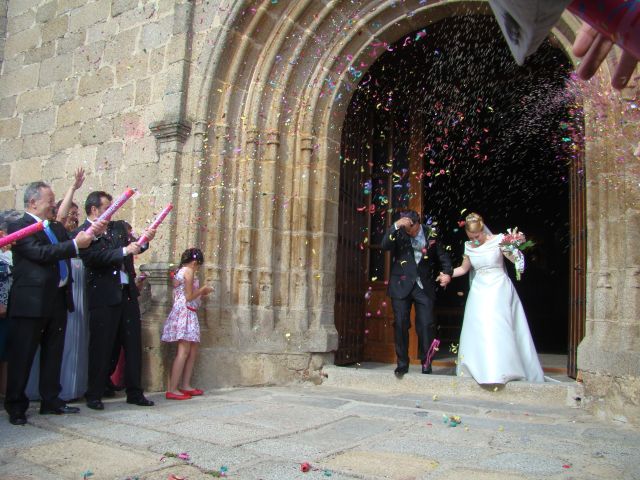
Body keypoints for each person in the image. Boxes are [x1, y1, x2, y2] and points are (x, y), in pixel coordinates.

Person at [3, 182, 106, 426]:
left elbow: (73, 243)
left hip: (57, 299)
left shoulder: (53, 227)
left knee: (53, 353)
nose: (53, 204)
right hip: (30, 302)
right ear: (33, 203)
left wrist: (93, 231)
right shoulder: (20, 226)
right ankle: (16, 405)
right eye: (49, 200)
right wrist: (73, 245)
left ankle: (51, 400)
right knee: (23, 355)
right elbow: (40, 253)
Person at [78, 191, 156, 411]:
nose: (112, 211)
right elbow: (93, 258)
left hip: (126, 293)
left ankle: (134, 391)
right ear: (94, 209)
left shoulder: (118, 227)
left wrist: (145, 240)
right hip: (103, 295)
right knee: (101, 345)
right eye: (107, 207)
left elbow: (136, 245)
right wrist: (123, 251)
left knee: (132, 344)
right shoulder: (84, 232)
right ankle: (94, 393)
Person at [451, 213, 544, 385]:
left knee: (498, 325)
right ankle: (479, 367)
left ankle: (504, 369)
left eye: (477, 236)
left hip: (498, 287)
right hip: (479, 290)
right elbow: (464, 269)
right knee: (478, 326)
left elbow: (515, 260)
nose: (475, 240)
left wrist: (513, 246)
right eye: (471, 237)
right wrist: (447, 274)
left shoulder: (499, 240)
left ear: (482, 229)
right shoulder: (469, 246)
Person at [381, 209, 452, 377]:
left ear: (417, 224)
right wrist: (396, 226)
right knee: (400, 324)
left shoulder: (431, 234)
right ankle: (402, 363)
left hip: (423, 286)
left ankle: (426, 363)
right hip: (401, 285)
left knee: (426, 325)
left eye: (410, 228)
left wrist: (447, 272)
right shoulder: (398, 232)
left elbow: (442, 256)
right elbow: (385, 245)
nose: (408, 232)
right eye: (404, 228)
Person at [162, 248, 213, 400]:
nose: (197, 268)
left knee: (192, 350)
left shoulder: (179, 271)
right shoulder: (188, 271)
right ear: (194, 262)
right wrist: (203, 290)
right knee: (184, 351)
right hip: (186, 311)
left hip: (185, 310)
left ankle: (185, 385)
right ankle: (173, 388)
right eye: (198, 265)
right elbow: (189, 296)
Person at [0, 210, 23, 396]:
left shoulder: (13, 256)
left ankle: (6, 394)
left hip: (11, 311)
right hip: (1, 310)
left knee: (9, 355)